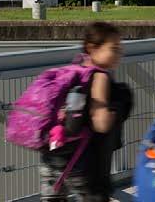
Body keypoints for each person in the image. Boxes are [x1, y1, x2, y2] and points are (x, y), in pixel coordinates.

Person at [40, 21, 124, 202]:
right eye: (114, 48)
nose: (119, 54)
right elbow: (100, 123)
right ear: (92, 48)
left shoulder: (74, 70)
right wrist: (116, 112)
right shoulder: (100, 76)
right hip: (78, 162)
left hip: (52, 154)